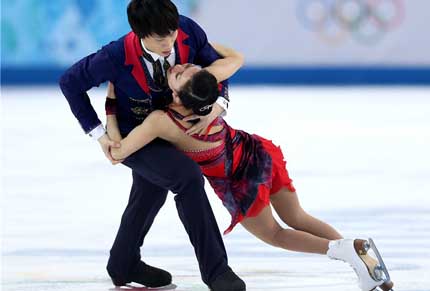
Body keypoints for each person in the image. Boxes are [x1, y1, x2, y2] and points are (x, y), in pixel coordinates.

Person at [105, 53, 395, 291]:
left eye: (183, 71)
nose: (180, 65)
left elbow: (118, 152)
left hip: (240, 180)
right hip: (257, 151)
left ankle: (346, 251)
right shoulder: (206, 91)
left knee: (277, 234)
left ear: (178, 98)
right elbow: (234, 57)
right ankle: (359, 257)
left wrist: (111, 106)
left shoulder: (162, 120)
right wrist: (199, 50)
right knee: (298, 217)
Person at [59, 0, 245, 290]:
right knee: (187, 177)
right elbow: (70, 82)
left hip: (171, 128)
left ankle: (122, 263)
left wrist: (220, 102)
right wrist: (99, 134)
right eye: (161, 39)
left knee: (151, 190)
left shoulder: (186, 31)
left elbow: (212, 71)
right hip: (135, 135)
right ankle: (217, 271)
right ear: (138, 33)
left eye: (172, 33)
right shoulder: (115, 56)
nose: (170, 43)